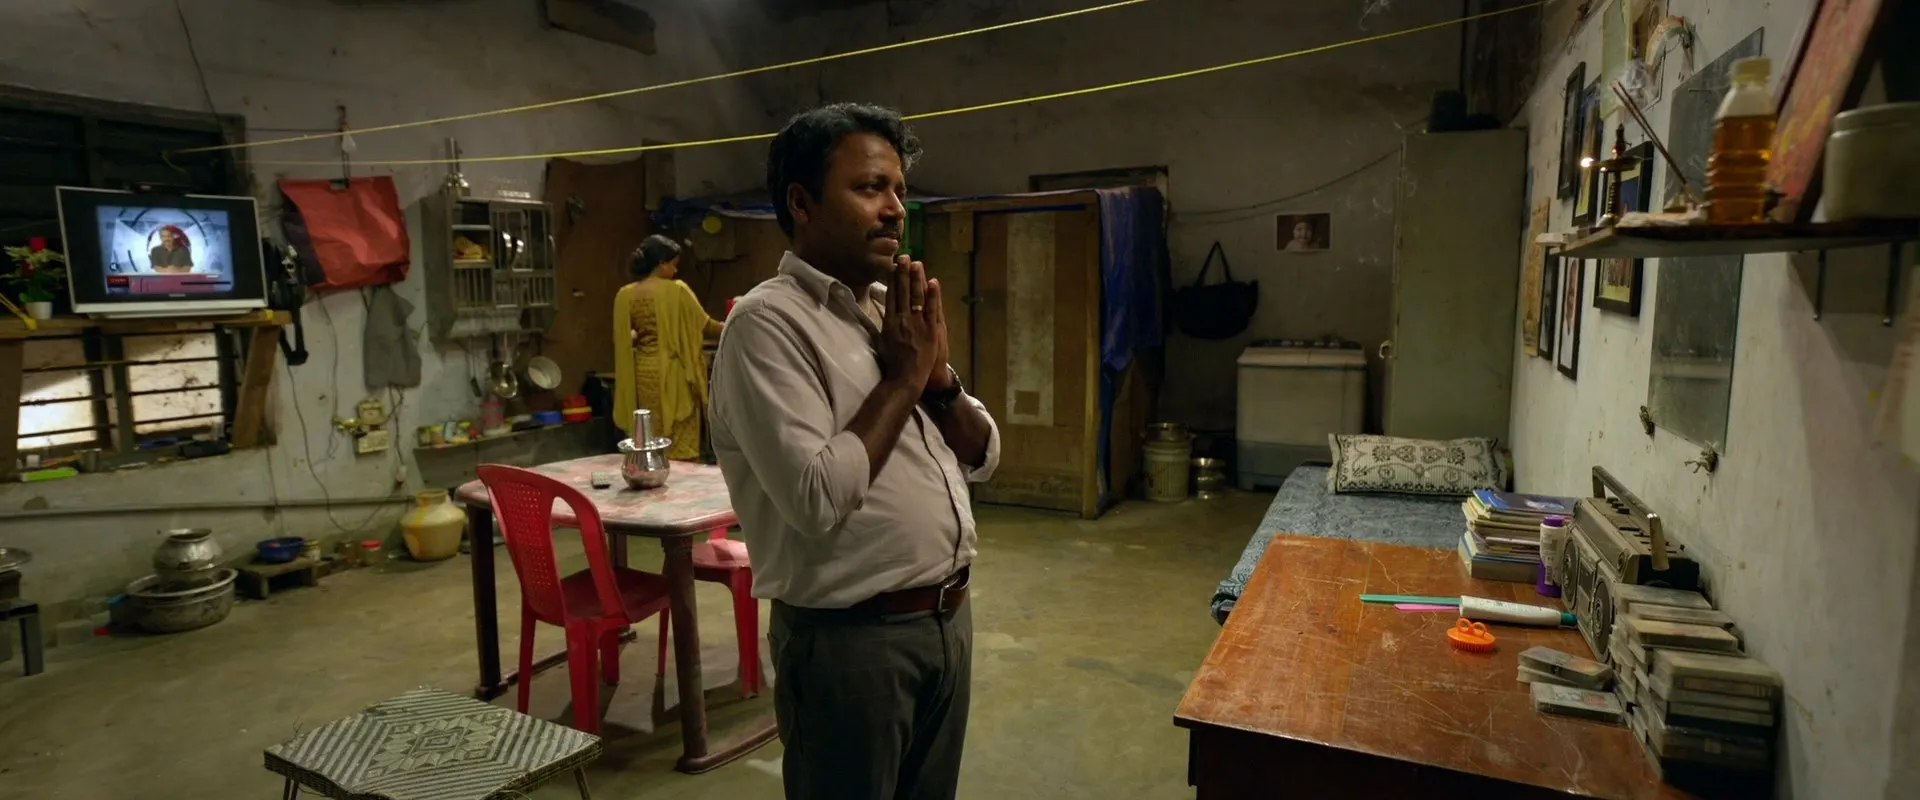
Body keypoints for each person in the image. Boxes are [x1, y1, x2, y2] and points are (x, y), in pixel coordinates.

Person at [708, 103, 1001, 800]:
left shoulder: (884, 310)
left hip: (947, 621)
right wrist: (902, 380)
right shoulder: (768, 324)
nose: (895, 208)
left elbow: (985, 455)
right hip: (851, 645)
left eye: (899, 189)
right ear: (801, 203)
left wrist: (937, 382)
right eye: (870, 188)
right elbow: (815, 498)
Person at [612, 234, 722, 460]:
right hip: (674, 373)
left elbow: (626, 338)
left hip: (642, 375)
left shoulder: (625, 295)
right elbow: (706, 325)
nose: (675, 270)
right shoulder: (677, 290)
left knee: (651, 435)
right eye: (673, 264)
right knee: (680, 441)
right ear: (661, 263)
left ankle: (652, 471)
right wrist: (735, 323)